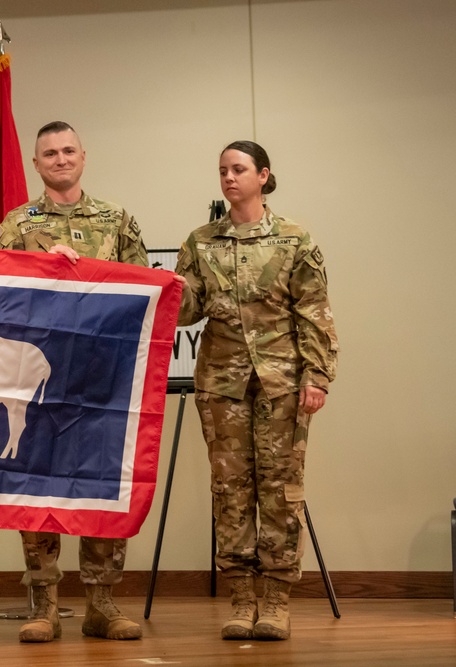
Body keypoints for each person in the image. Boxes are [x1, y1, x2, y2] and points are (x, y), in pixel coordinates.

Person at [0, 121, 148, 643]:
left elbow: (144, 295)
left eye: (68, 151)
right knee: (37, 485)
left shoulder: (116, 221)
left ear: (84, 155)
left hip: (103, 377)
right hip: (38, 377)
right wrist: (42, 271)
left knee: (102, 485)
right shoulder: (16, 224)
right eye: (49, 153)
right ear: (36, 164)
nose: (60, 159)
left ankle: (102, 602)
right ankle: (44, 604)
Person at [175, 140, 338, 641]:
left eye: (239, 169)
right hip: (221, 385)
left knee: (281, 492)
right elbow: (185, 313)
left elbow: (314, 310)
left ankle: (276, 602)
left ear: (263, 176)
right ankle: (242, 600)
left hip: (282, 385)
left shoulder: (294, 240)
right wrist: (164, 288)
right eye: (222, 170)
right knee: (230, 493)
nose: (228, 177)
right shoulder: (202, 241)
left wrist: (317, 376)